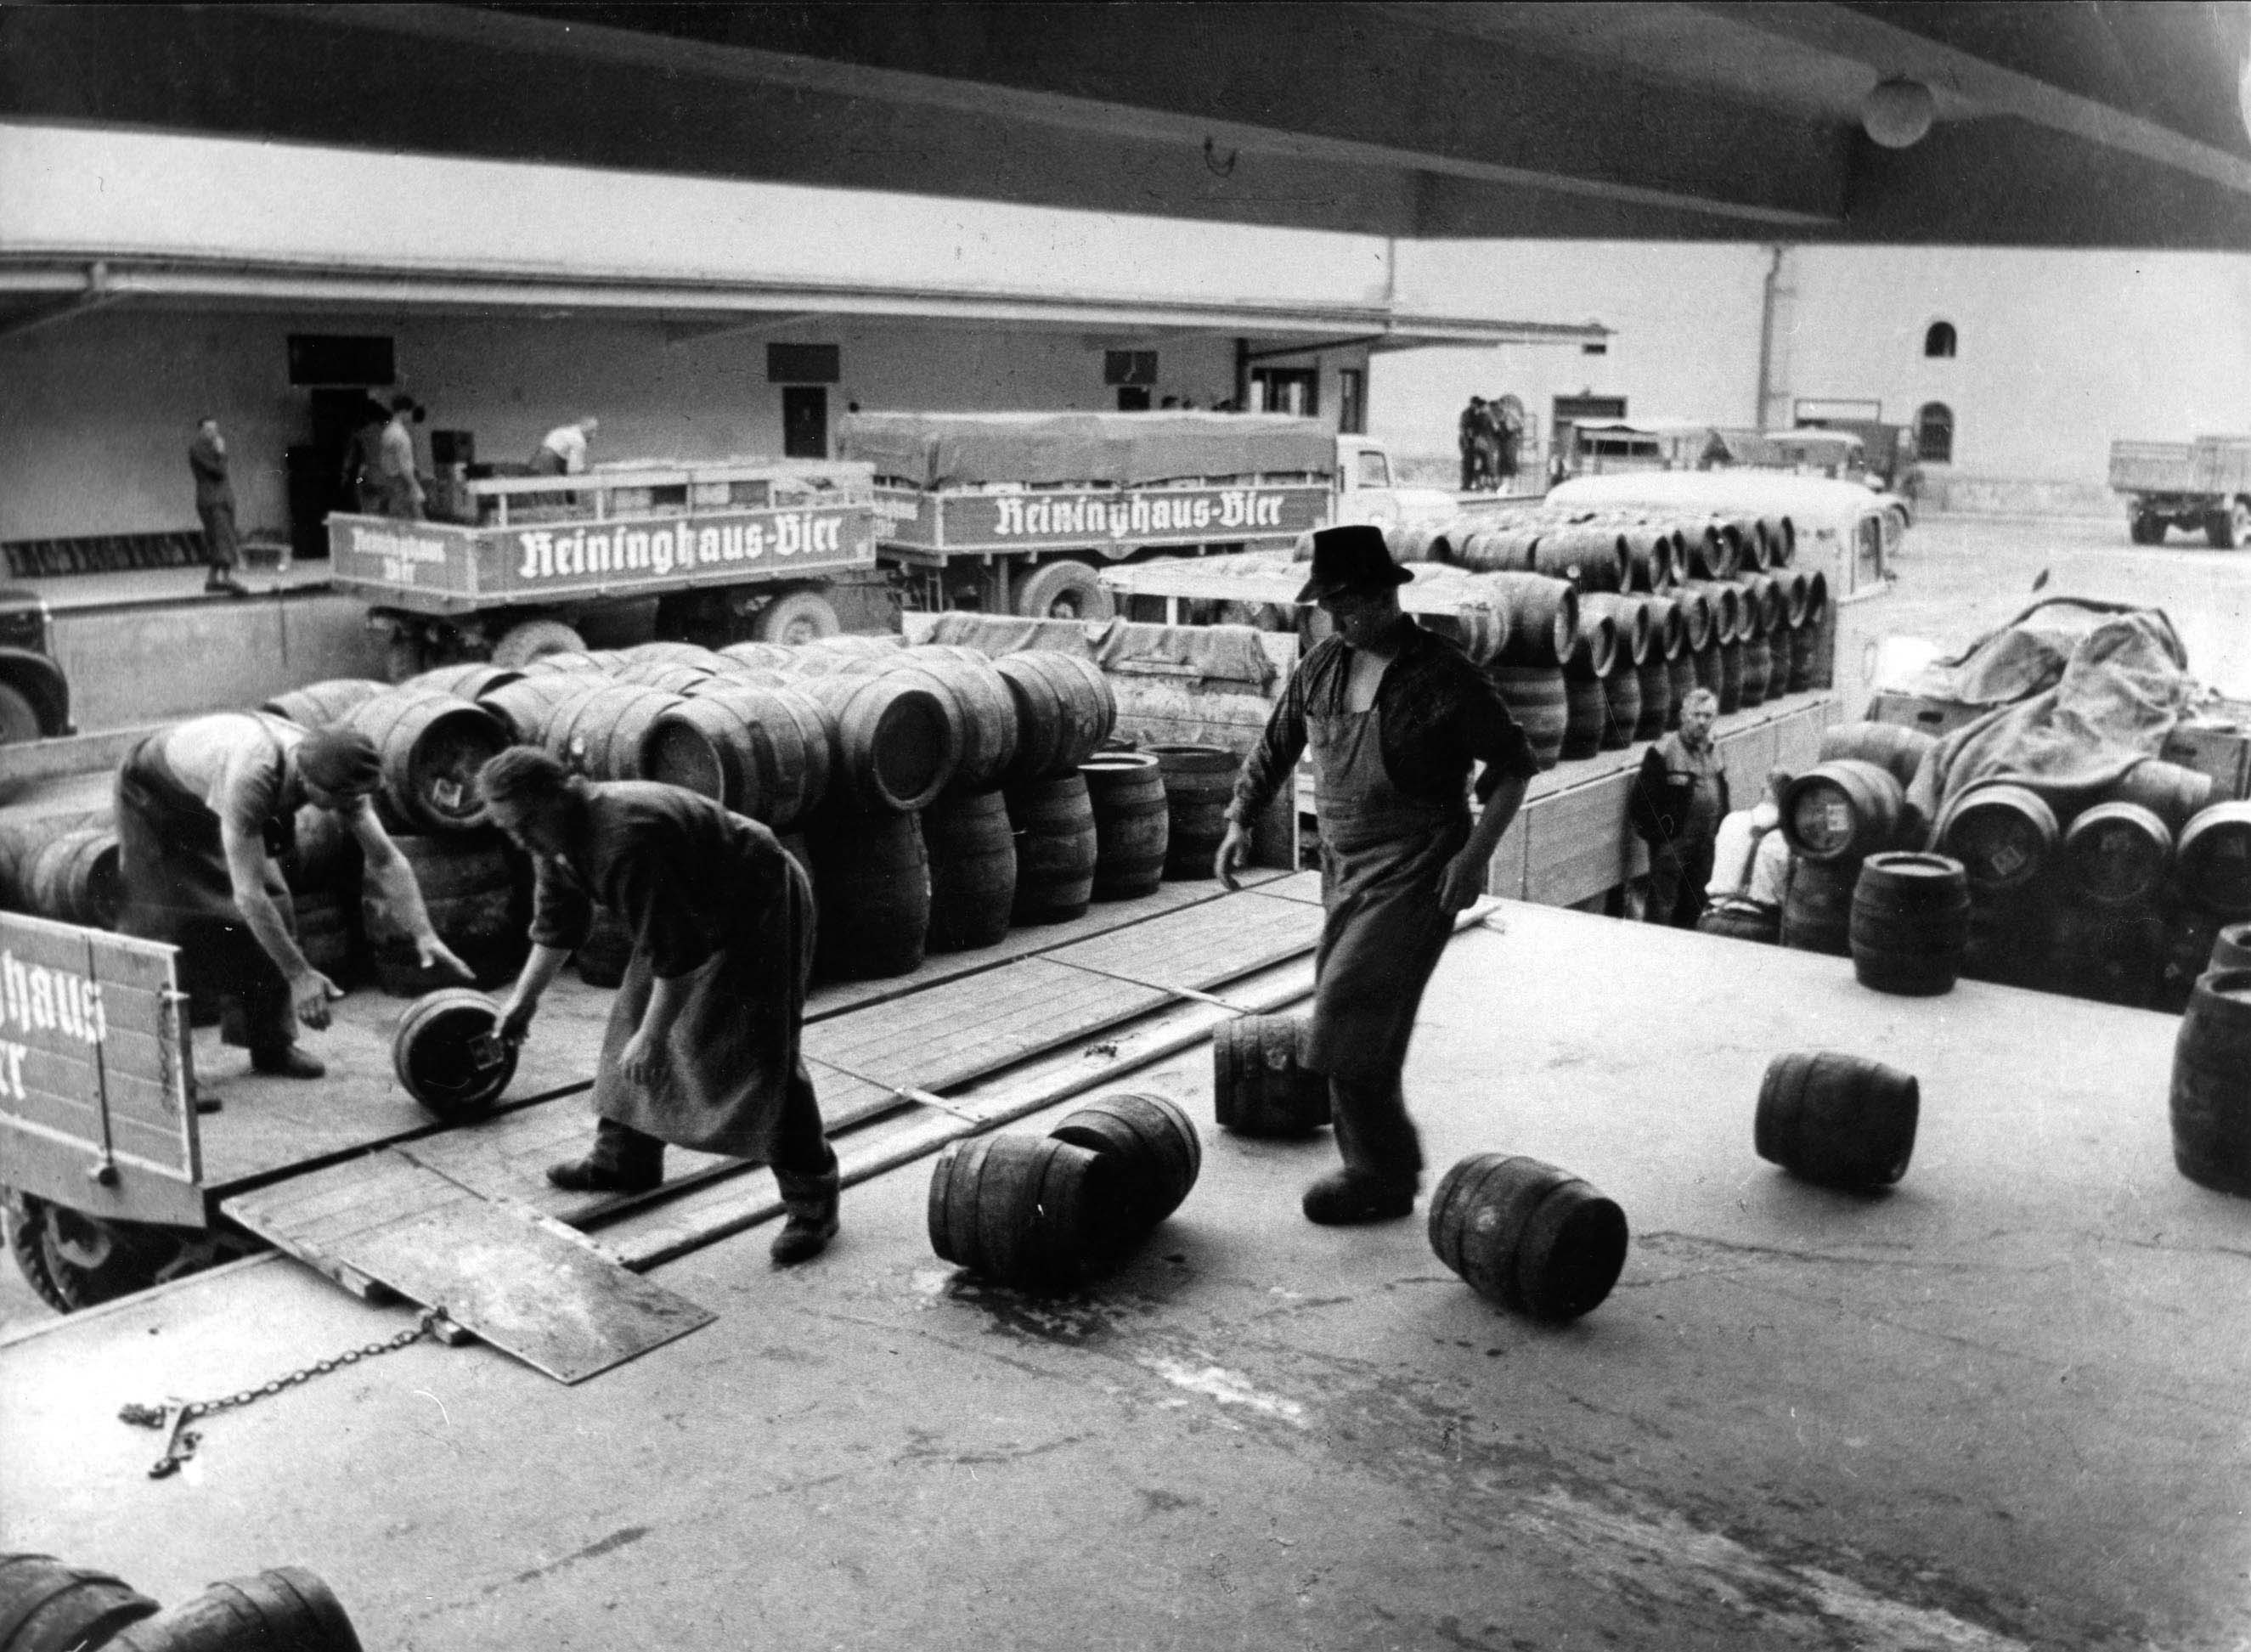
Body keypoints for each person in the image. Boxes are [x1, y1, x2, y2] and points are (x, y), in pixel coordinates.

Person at [1217, 525, 1537, 1225]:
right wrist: (1241, 817)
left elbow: (1515, 766)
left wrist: (1472, 858)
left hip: (1419, 868)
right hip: (1345, 869)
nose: (1336, 617)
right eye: (1328, 604)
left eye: (1348, 603)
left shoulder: (1441, 675)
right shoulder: (1325, 664)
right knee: (1364, 1027)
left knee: (1344, 1024)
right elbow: (1278, 742)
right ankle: (1387, 1168)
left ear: (1387, 593)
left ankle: (1379, 1173)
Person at [479, 748, 841, 1265]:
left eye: (523, 825)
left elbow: (677, 957)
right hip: (688, 916)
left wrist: (653, 1039)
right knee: (629, 1024)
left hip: (755, 903)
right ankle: (623, 1161)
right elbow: (559, 926)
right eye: (507, 829)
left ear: (558, 796)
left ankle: (813, 1202)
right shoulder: (551, 837)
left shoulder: (625, 838)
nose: (520, 840)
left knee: (757, 1059)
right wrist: (522, 1003)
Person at [115, 713, 471, 1099]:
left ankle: (270, 1045)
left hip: (215, 793)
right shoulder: (254, 778)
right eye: (340, 799)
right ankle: (166, 1071)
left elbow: (385, 859)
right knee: (166, 928)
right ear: (308, 783)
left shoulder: (340, 774)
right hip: (153, 794)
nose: (349, 807)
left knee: (278, 905)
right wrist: (300, 975)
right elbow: (248, 897)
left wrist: (424, 932)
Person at [1628, 687, 1730, 928]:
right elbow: (1641, 804)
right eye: (1696, 715)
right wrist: (1662, 838)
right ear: (1684, 716)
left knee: (1696, 903)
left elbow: (1723, 792)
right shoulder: (1663, 751)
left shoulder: (1716, 749)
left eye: (1708, 716)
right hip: (1672, 845)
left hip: (1705, 843)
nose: (1702, 722)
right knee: (1663, 906)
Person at [1697, 767, 1794, 942]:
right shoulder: (1789, 840)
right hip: (1760, 926)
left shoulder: (1731, 821)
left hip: (1714, 918)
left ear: (1763, 790)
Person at [188, 417, 248, 597]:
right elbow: (218, 472)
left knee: (220, 537)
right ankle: (226, 577)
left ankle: (213, 579)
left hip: (221, 499)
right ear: (200, 432)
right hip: (213, 501)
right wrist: (221, 453)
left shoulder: (211, 448)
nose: (213, 434)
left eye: (215, 429)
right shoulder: (198, 449)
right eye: (208, 430)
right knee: (222, 539)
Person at [375, 394, 425, 520]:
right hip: (402, 482)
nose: (411, 416)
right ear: (404, 412)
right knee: (415, 521)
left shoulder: (387, 432)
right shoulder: (401, 435)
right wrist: (415, 486)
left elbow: (384, 460)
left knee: (396, 518)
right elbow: (405, 466)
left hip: (390, 479)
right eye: (410, 412)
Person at [339, 400, 389, 513]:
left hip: (367, 478)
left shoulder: (360, 434)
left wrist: (350, 478)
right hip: (386, 480)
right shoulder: (387, 433)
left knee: (358, 484)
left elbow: (349, 461)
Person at [531, 415, 599, 476]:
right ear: (584, 428)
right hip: (550, 464)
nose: (593, 436)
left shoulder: (564, 431)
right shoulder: (579, 440)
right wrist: (588, 470)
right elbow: (574, 470)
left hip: (536, 461)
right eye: (592, 431)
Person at [1458, 396, 1488, 491]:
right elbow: (1465, 428)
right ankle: (1466, 485)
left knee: (1472, 463)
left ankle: (1469, 484)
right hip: (1468, 441)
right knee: (1468, 463)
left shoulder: (1474, 413)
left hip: (1471, 441)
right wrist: (1470, 437)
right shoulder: (1468, 413)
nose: (1476, 406)